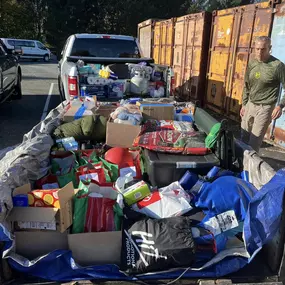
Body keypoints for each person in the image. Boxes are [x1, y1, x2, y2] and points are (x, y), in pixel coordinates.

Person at [240, 36, 285, 152]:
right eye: (257, 49)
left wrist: (280, 106)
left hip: (265, 107)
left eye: (263, 49)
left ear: (269, 48)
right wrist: (244, 104)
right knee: (243, 137)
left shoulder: (277, 66)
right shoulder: (252, 63)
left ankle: (249, 168)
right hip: (250, 104)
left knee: (253, 143)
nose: (259, 52)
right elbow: (247, 85)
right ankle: (239, 166)